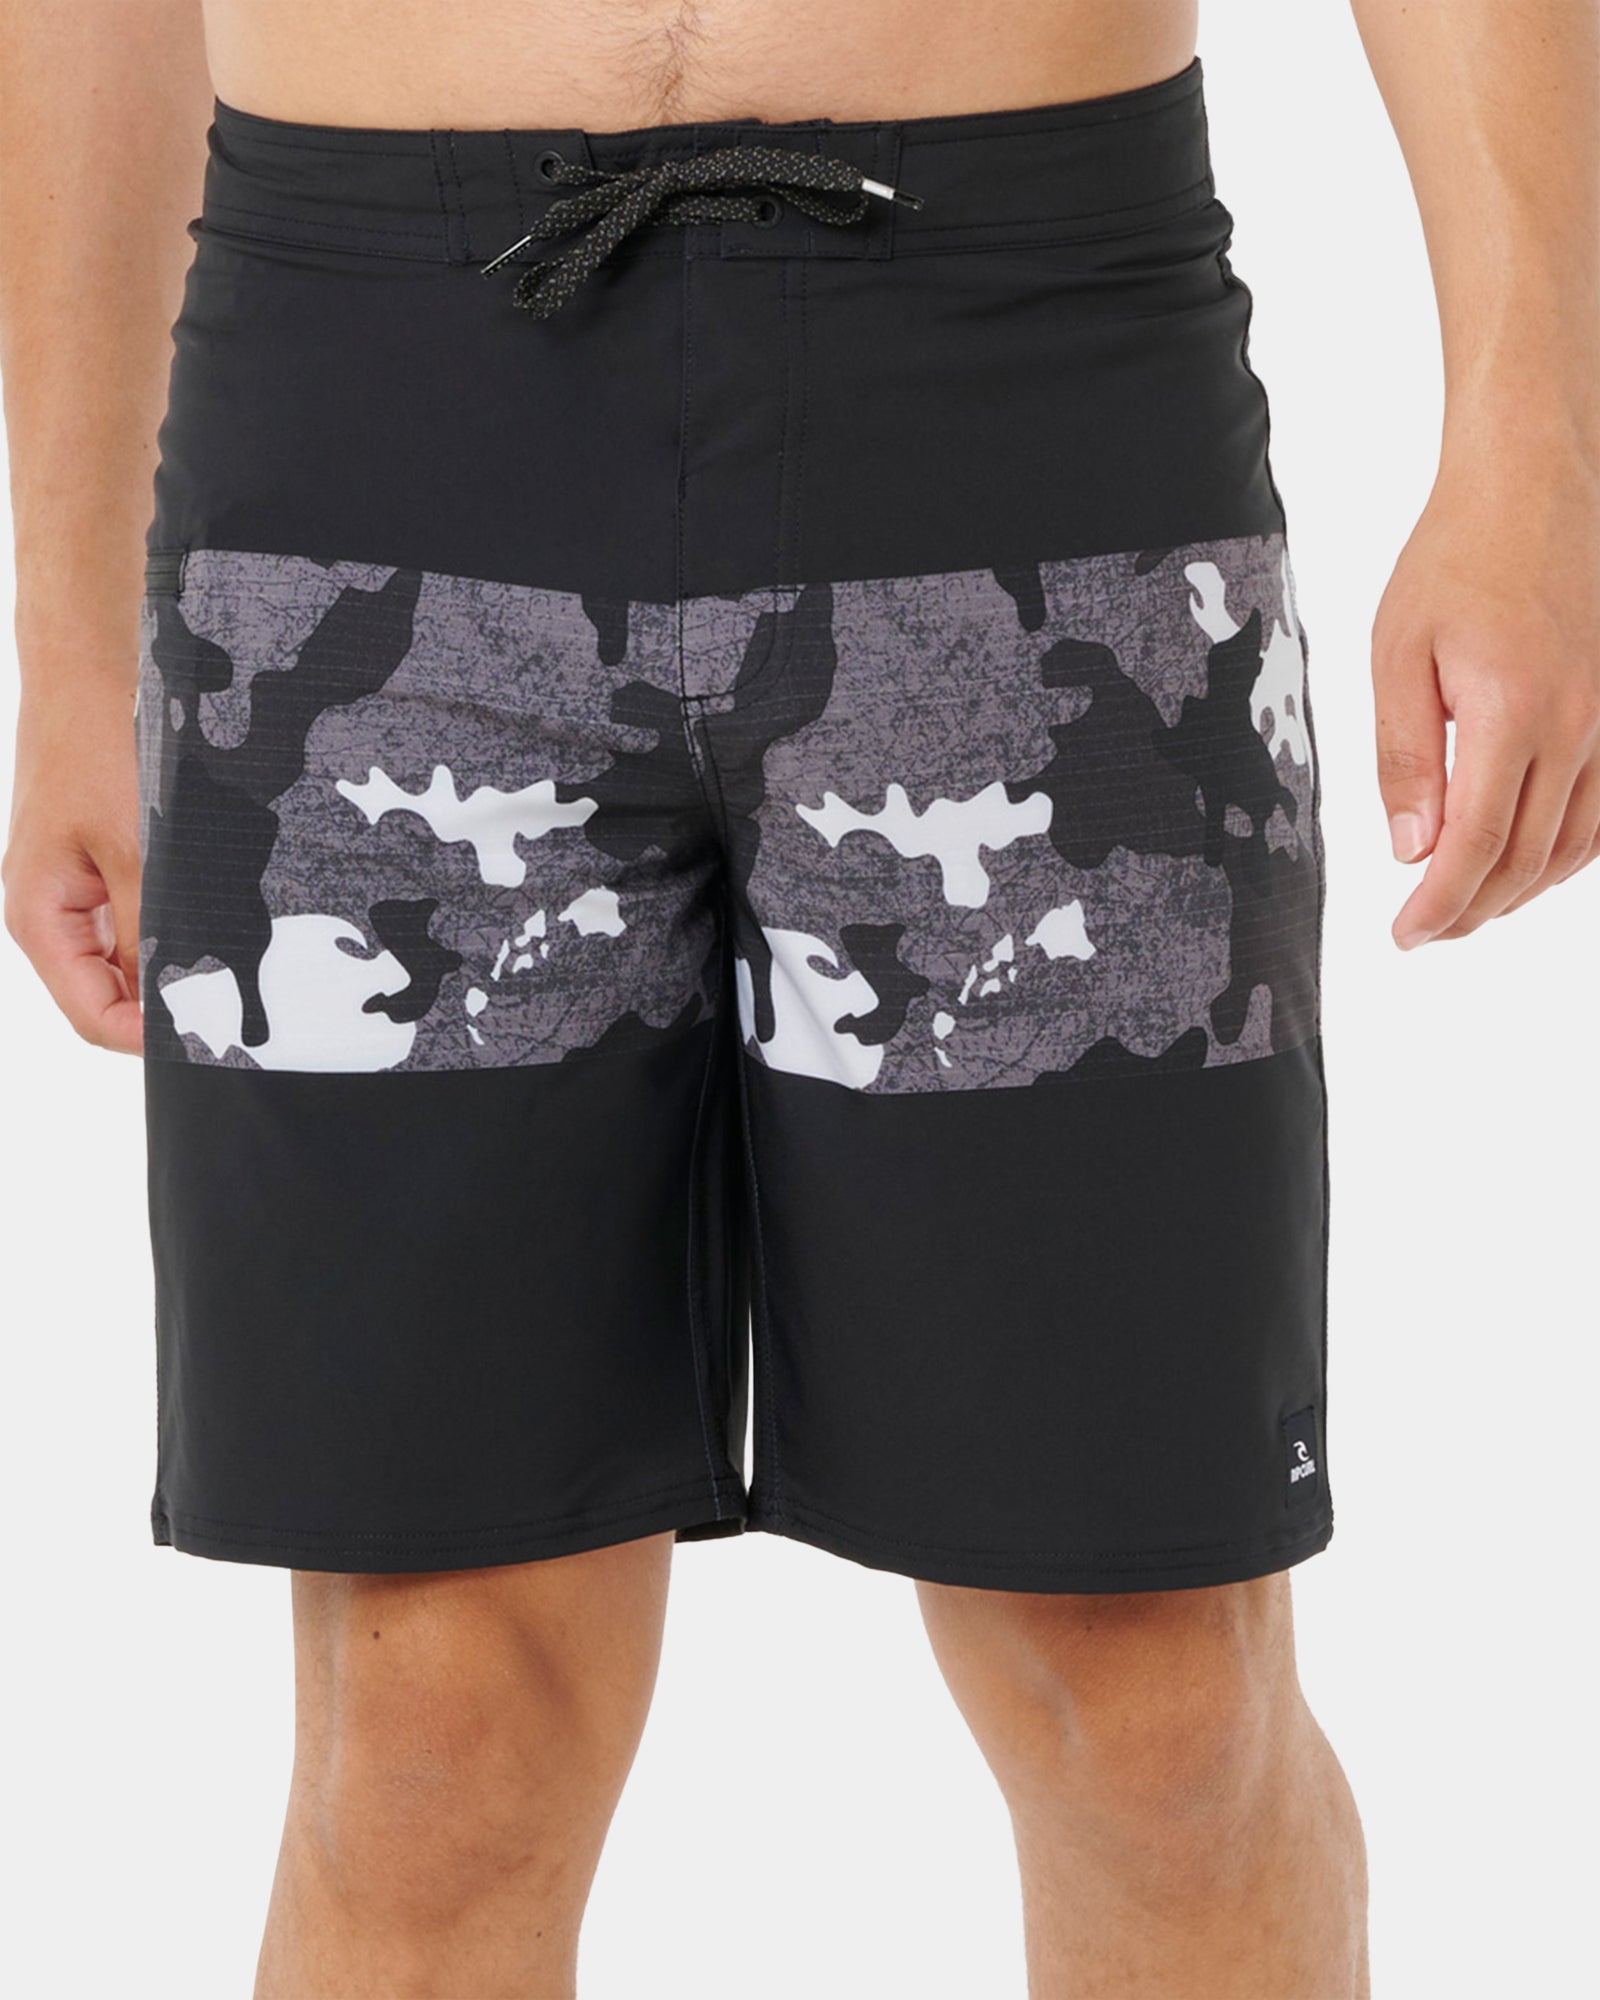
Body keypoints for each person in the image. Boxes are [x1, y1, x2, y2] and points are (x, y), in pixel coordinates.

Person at [2, 0, 1595, 1993]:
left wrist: (1535, 445)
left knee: (1149, 1709)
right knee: (429, 1744)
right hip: (364, 427)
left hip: (1030, 385)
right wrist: (66, 635)